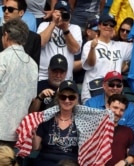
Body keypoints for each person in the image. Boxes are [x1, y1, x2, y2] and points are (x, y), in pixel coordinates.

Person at [0, 18, 38, 147]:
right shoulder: (33, 65)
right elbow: (32, 99)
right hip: (19, 133)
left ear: (6, 35)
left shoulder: (2, 58)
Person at [81, 13, 133, 103]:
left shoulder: (120, 46)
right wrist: (93, 48)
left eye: (111, 25)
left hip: (113, 93)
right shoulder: (89, 44)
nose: (108, 27)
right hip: (93, 90)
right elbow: (90, 64)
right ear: (99, 26)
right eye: (105, 24)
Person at [32, 80, 79, 165]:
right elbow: (36, 147)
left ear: (76, 99)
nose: (67, 100)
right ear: (58, 98)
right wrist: (33, 135)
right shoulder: (47, 118)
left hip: (70, 163)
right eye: (63, 97)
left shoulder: (82, 122)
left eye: (71, 97)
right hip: (46, 161)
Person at [38, 0, 82, 81]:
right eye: (59, 12)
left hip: (65, 77)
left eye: (65, 13)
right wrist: (54, 23)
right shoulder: (44, 25)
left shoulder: (75, 28)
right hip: (44, 76)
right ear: (53, 12)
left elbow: (75, 50)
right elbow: (40, 43)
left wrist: (66, 30)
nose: (62, 15)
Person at [0, 0, 41, 66]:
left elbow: (34, 68)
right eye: (4, 9)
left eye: (10, 9)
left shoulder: (33, 38)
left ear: (21, 12)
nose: (6, 12)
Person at [105, 94, 134, 166]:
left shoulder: (128, 131)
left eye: (122, 110)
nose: (118, 112)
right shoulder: (95, 127)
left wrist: (124, 162)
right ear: (107, 106)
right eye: (115, 107)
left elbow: (132, 155)